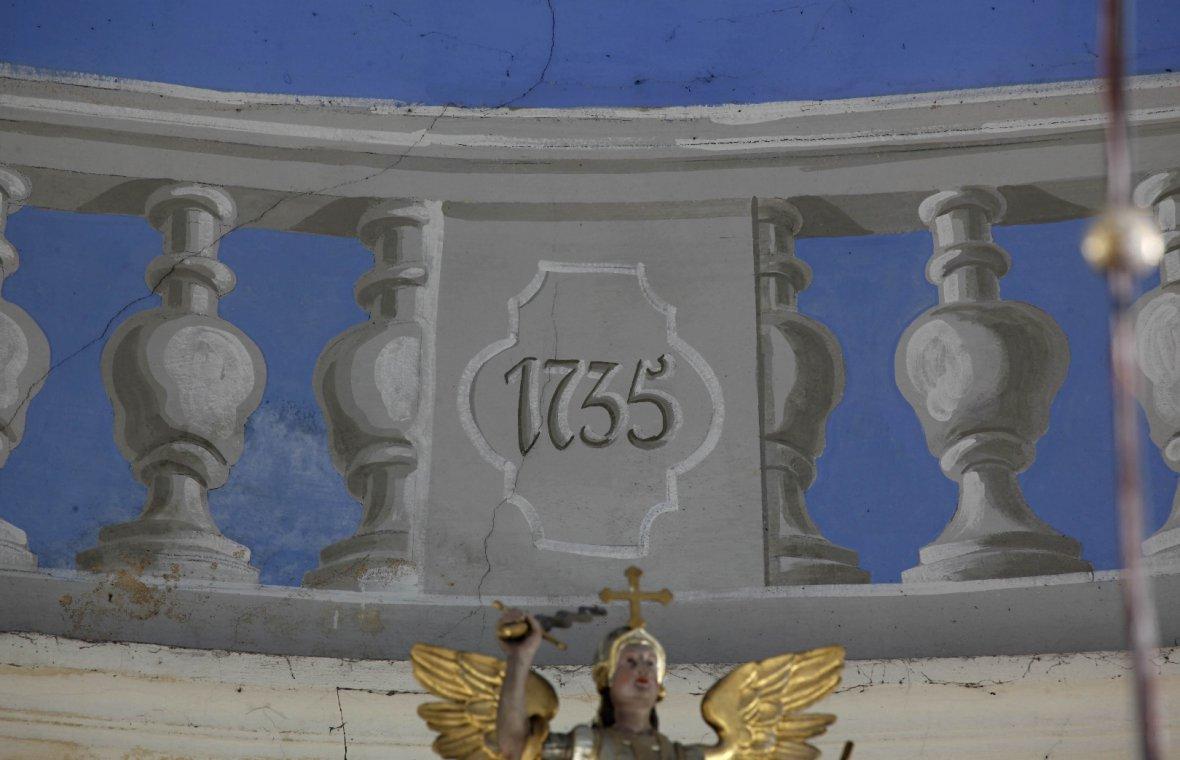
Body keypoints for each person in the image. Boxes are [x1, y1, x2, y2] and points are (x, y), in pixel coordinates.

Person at [496, 608, 705, 760]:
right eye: (630, 661)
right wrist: (520, 656)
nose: (643, 669)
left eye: (651, 663)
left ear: (660, 686)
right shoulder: (587, 747)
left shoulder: (680, 755)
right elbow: (516, 746)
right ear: (607, 677)